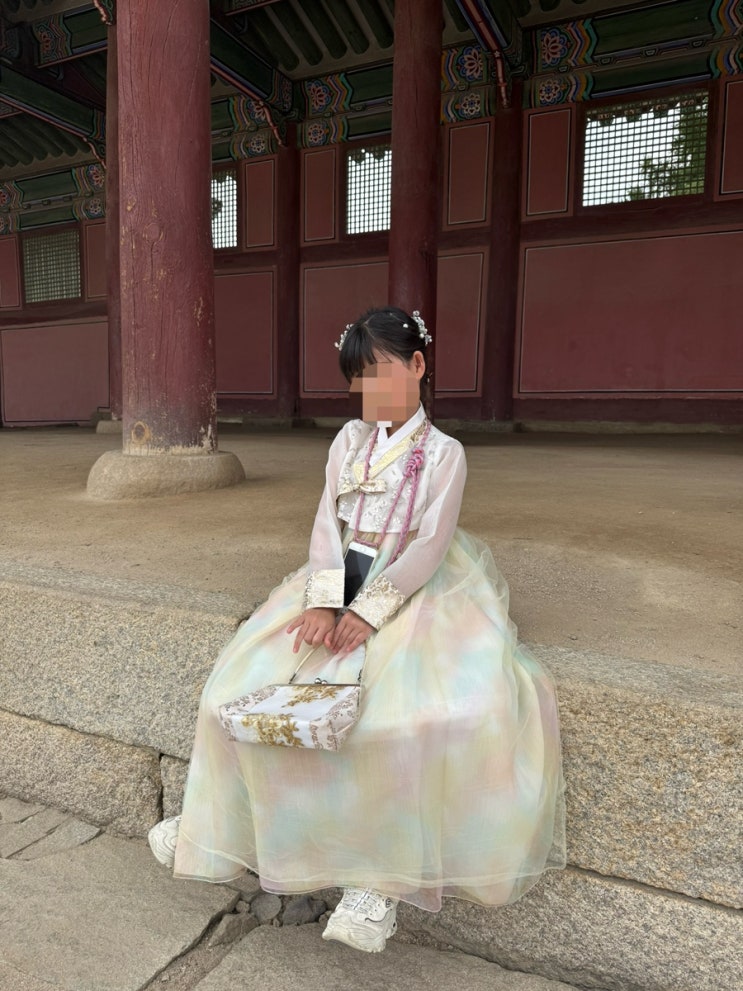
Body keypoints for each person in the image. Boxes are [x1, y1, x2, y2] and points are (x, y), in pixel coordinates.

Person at [148, 306, 566, 954]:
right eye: (358, 380)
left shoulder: (444, 455)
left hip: (412, 586)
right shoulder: (348, 441)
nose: (368, 392)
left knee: (401, 719)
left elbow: (430, 544)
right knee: (239, 687)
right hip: (339, 572)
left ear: (417, 365)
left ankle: (376, 886)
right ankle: (216, 824)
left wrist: (369, 612)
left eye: (380, 374)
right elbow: (327, 524)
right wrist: (323, 600)